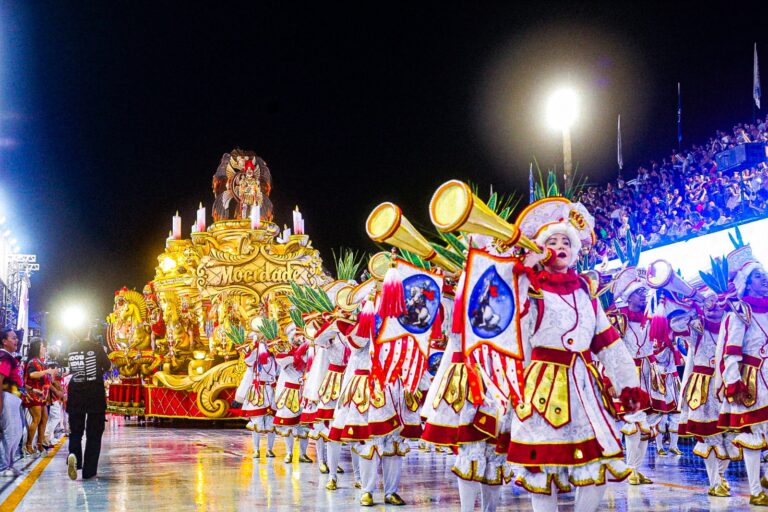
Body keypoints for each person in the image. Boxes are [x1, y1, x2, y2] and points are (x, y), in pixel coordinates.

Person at [507, 197, 647, 512]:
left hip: (585, 387)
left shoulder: (586, 292)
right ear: (540, 250)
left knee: (597, 465)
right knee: (543, 469)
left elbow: (609, 342)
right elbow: (510, 322)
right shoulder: (530, 288)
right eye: (551, 241)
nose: (560, 246)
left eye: (566, 241)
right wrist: (523, 269)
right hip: (542, 387)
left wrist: (628, 384)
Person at [66, 326, 111, 480]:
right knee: (94, 433)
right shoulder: (97, 347)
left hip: (75, 393)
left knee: (76, 431)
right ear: (89, 332)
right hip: (94, 394)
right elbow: (108, 366)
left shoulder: (72, 348)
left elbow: (72, 369)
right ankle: (89, 471)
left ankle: (74, 456)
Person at [23, 338, 55, 457]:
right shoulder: (33, 362)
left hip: (42, 396)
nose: (44, 348)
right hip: (33, 395)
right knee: (36, 419)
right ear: (37, 348)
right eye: (42, 346)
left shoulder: (41, 362)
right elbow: (32, 374)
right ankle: (28, 445)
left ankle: (39, 444)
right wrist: (47, 371)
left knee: (44, 418)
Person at [0, 329, 24, 476]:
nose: (16, 341)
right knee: (10, 432)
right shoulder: (4, 356)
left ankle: (8, 464)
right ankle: (3, 466)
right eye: (13, 338)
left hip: (13, 398)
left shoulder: (9, 356)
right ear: (4, 341)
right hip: (7, 397)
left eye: (16, 338)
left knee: (16, 432)